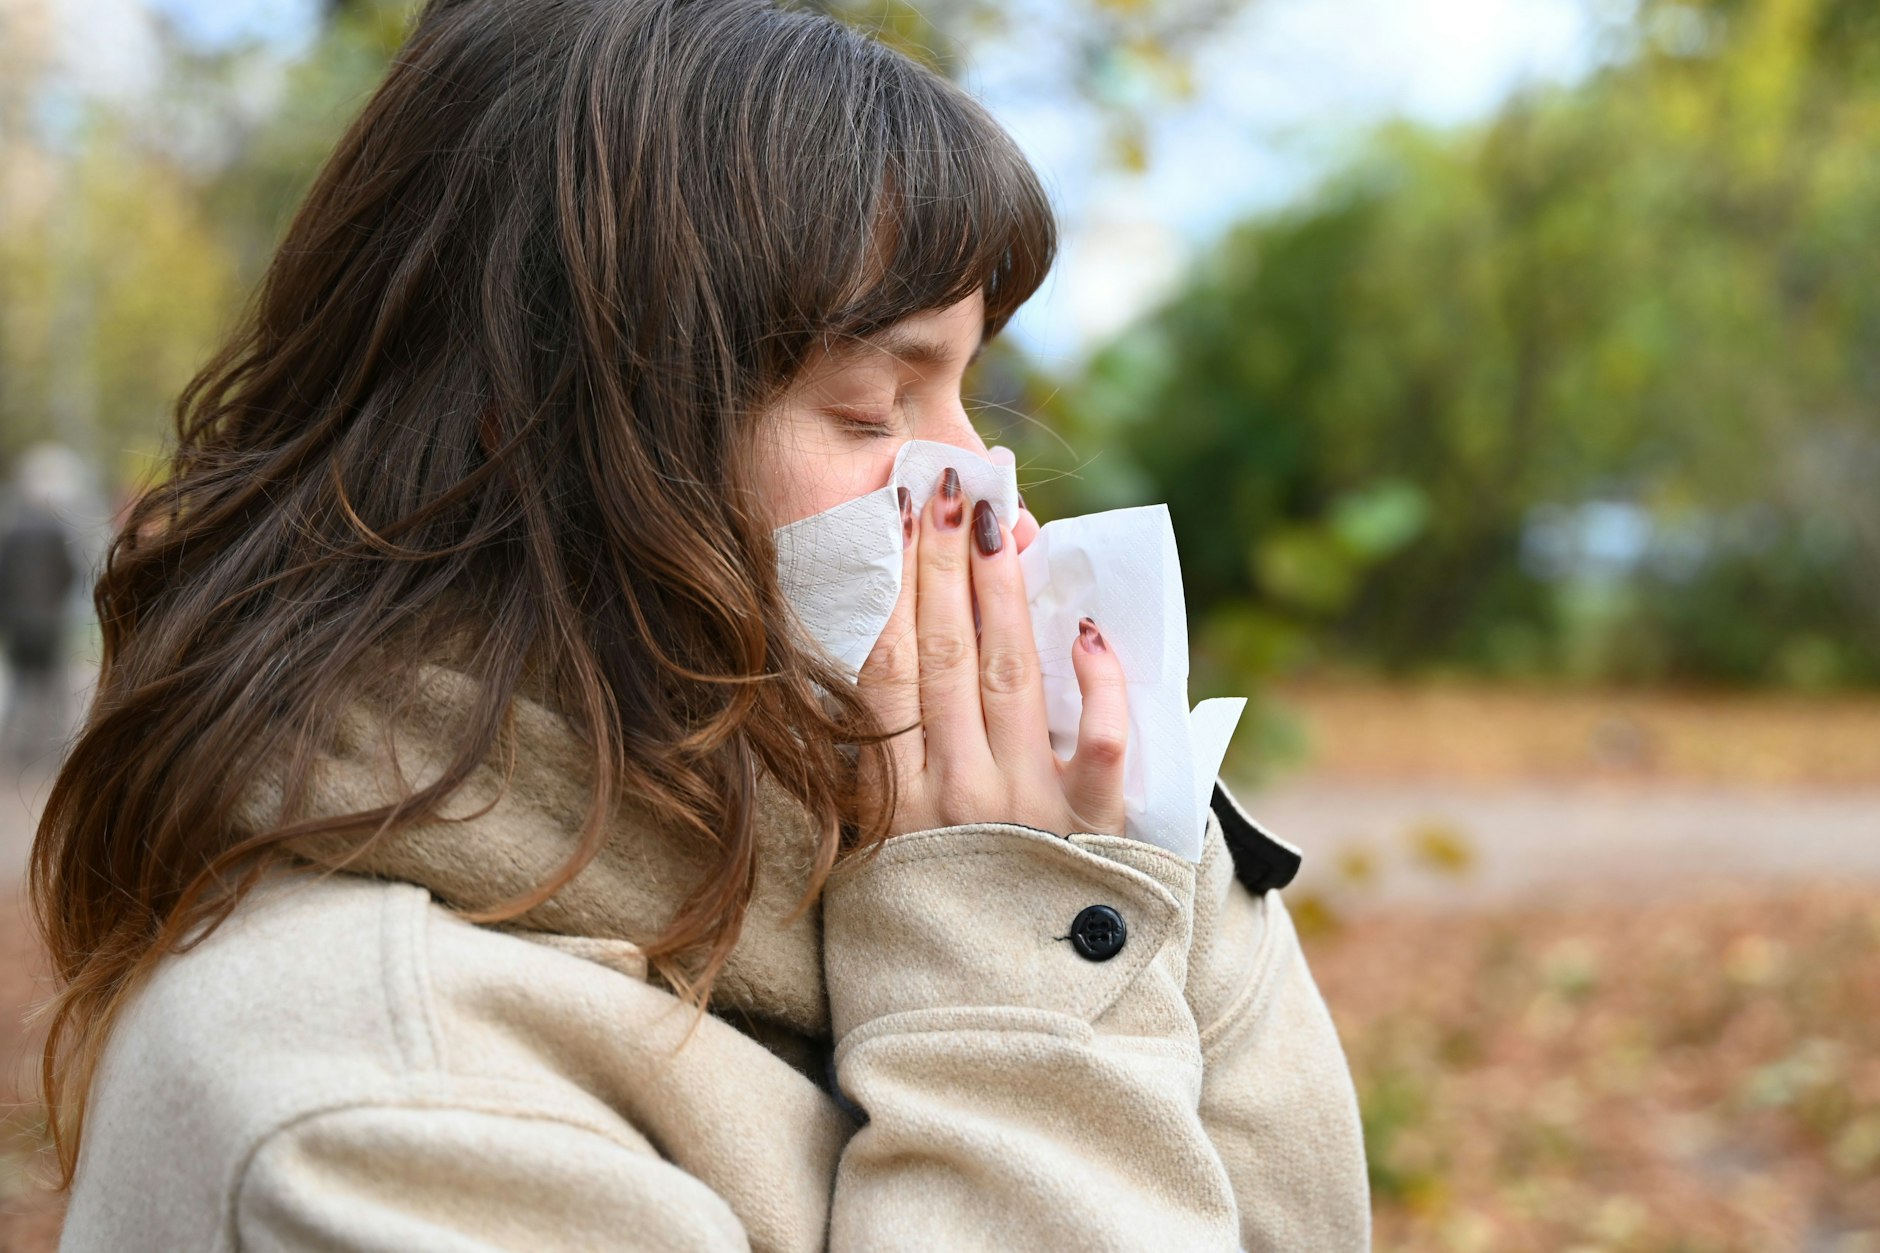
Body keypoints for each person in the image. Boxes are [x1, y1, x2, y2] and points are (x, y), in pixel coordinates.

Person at [32, 0, 1370, 1247]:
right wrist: (1017, 957)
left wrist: (1127, 860)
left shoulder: (956, 828)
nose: (991, 498)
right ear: (540, 447)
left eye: (970, 393)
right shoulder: (366, 1091)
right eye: (874, 407)